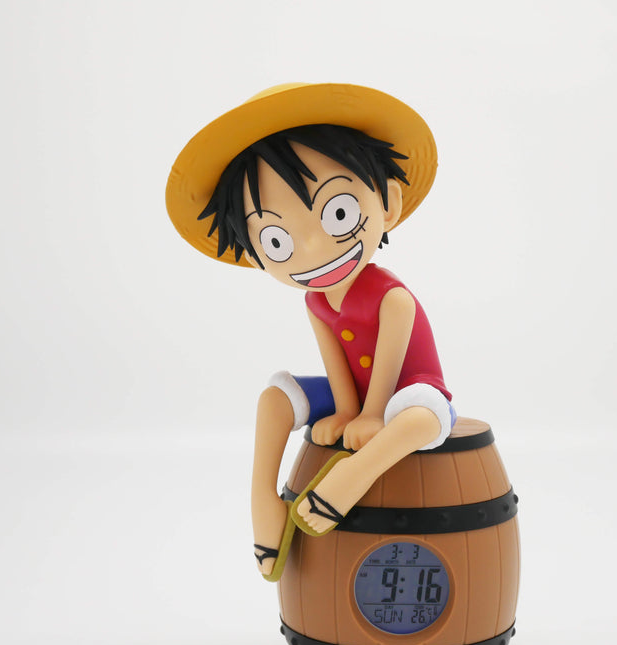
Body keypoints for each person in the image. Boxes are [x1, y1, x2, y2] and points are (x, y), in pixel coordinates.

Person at [166, 83, 453, 581]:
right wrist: (345, 410)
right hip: (356, 398)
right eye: (277, 240)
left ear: (388, 203)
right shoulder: (316, 300)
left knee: (422, 417)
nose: (315, 250)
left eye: (338, 214)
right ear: (254, 252)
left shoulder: (392, 297)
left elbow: (390, 363)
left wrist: (370, 415)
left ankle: (351, 478)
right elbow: (335, 363)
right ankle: (263, 501)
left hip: (408, 392)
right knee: (275, 399)